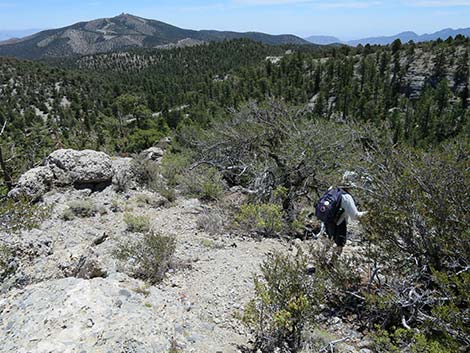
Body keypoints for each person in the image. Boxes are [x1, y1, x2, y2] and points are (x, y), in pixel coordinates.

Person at [316, 179, 367, 262]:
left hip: (328, 221)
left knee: (330, 240)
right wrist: (369, 213)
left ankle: (320, 260)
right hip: (339, 223)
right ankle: (332, 264)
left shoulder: (331, 189)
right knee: (340, 244)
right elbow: (355, 216)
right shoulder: (347, 197)